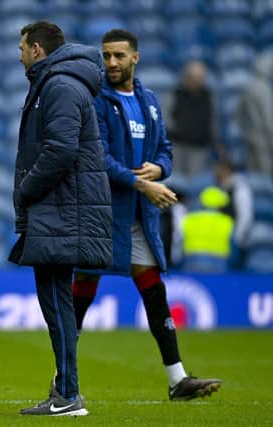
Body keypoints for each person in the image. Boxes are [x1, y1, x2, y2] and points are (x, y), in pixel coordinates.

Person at [71, 29, 222, 401]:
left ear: (135, 58)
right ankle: (63, 383)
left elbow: (166, 149)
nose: (111, 63)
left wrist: (158, 169)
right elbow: (98, 158)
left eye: (119, 56)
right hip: (103, 213)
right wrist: (143, 185)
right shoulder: (98, 101)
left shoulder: (149, 100)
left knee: (154, 292)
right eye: (106, 56)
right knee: (81, 294)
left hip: (137, 216)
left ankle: (177, 380)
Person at [8, 21, 112, 417]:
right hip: (61, 209)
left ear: (37, 49)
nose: (18, 55)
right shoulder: (56, 83)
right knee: (56, 302)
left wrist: (27, 188)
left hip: (61, 209)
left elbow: (61, 149)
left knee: (56, 302)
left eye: (21, 48)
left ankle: (68, 395)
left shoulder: (60, 86)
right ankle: (64, 390)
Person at [168, 60, 218, 177]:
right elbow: (166, 119)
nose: (197, 81)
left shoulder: (208, 96)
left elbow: (212, 121)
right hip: (178, 146)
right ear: (186, 77)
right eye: (194, 78)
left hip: (198, 147)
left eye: (200, 78)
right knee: (176, 181)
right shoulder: (175, 94)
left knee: (195, 180)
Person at [235, 51, 273, 175]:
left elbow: (238, 113)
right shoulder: (264, 89)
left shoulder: (249, 86)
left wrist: (246, 129)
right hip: (263, 138)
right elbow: (268, 118)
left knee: (252, 171)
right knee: (265, 172)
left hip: (250, 135)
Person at [181, 186, 234, 272]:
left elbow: (180, 239)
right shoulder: (227, 221)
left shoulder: (189, 218)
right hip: (219, 260)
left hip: (192, 258)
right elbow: (232, 243)